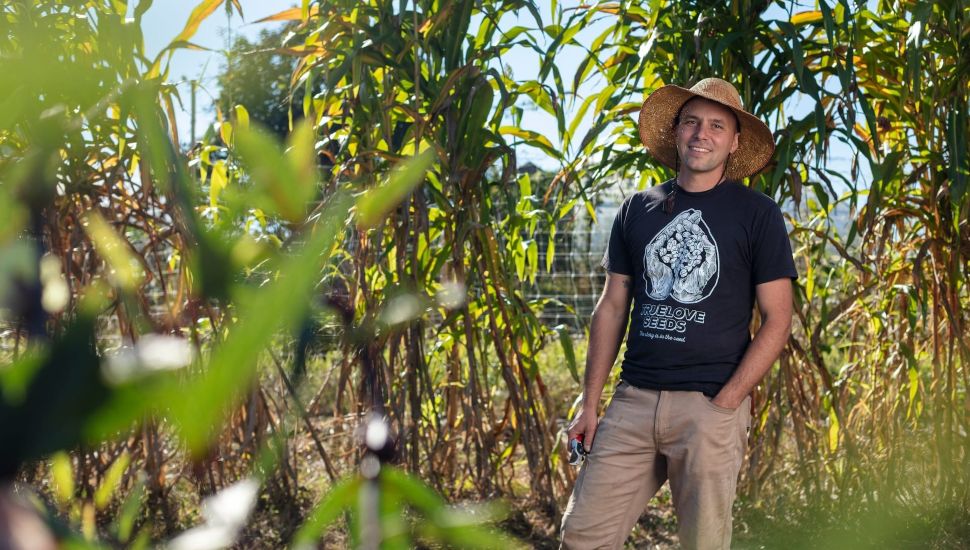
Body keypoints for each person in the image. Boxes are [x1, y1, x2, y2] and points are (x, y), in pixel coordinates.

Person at [559, 77, 797, 550]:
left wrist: (727, 403)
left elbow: (778, 320)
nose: (700, 134)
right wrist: (591, 403)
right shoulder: (638, 209)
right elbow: (612, 307)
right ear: (676, 131)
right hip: (634, 400)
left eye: (715, 125)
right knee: (582, 536)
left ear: (733, 142)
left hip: (708, 406)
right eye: (690, 122)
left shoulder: (758, 215)